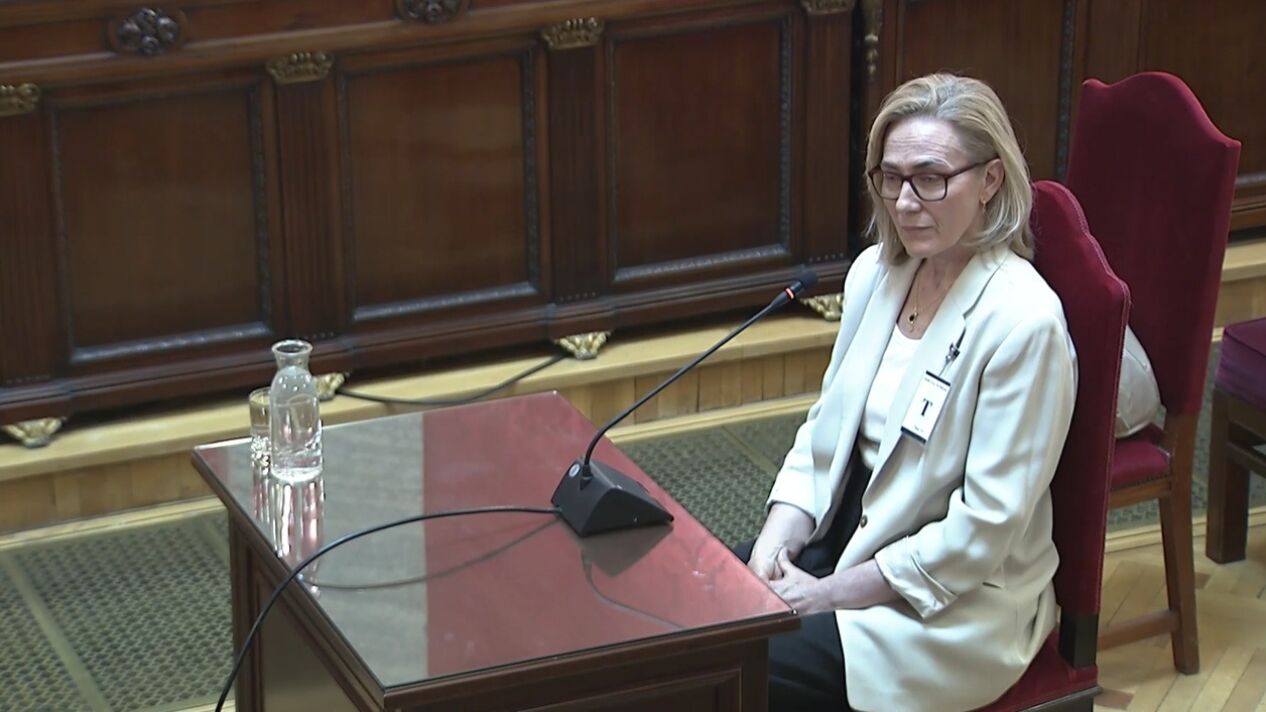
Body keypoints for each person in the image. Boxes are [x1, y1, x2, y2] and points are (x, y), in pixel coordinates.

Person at [737, 73, 1077, 711]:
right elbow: (823, 433)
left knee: (737, 663)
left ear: (990, 181)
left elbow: (983, 531)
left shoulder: (1024, 322)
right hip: (842, 530)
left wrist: (824, 596)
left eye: (931, 179)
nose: (906, 202)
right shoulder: (876, 274)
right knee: (688, 610)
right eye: (891, 178)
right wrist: (773, 546)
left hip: (950, 606)